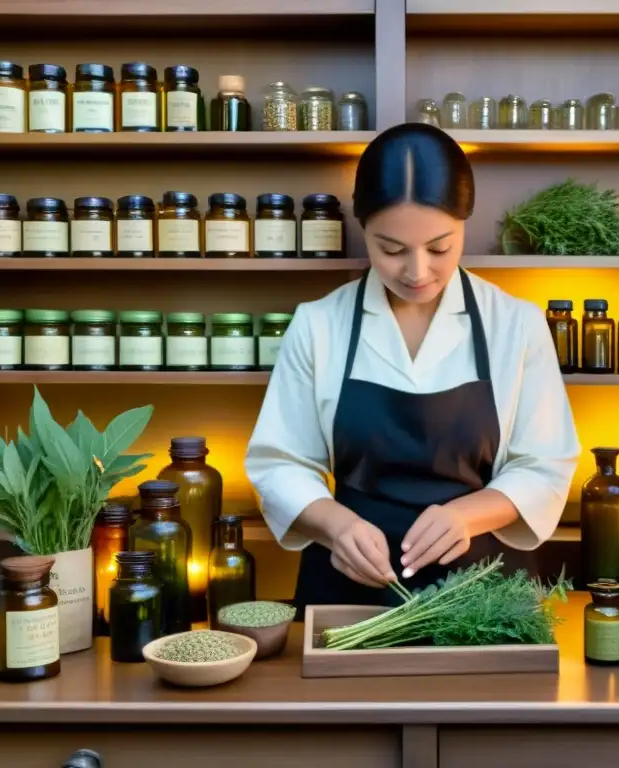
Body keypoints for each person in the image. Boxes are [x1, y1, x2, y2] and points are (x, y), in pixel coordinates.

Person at [245, 123, 579, 610]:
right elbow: (280, 464)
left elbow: (545, 466)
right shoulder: (318, 324)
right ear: (363, 229)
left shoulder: (517, 324)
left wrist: (467, 515)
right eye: (391, 249)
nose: (418, 271)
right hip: (350, 591)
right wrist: (337, 527)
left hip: (486, 598)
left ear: (465, 221)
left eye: (439, 247)